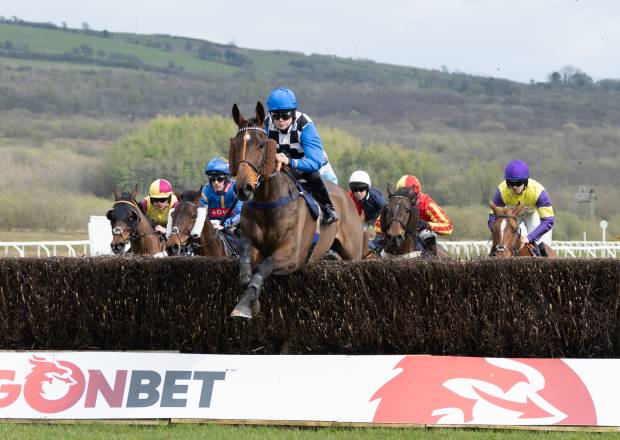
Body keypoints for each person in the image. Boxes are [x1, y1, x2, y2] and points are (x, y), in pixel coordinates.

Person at [264, 87, 339, 225]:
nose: (280, 120)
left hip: (315, 165)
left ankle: (329, 208)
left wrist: (289, 161)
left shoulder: (305, 125)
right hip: (288, 164)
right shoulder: (267, 124)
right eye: (276, 116)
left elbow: (315, 162)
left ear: (293, 113)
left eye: (285, 115)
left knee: (310, 173)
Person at [488, 160, 554, 256]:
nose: (514, 187)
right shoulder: (501, 190)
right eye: (510, 183)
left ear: (526, 181)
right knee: (499, 243)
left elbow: (548, 220)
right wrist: (497, 231)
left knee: (542, 247)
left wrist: (529, 238)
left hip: (532, 215)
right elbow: (492, 218)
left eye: (518, 183)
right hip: (512, 217)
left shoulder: (538, 191)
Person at [374, 174, 453, 252]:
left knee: (427, 234)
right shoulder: (395, 203)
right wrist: (391, 227)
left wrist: (427, 225)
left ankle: (433, 261)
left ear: (417, 194)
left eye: (410, 197)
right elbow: (377, 225)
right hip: (400, 234)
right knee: (382, 238)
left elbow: (448, 226)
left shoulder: (427, 203)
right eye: (402, 194)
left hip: (421, 233)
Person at [200, 156, 242, 254]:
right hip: (212, 226)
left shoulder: (235, 188)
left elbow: (240, 212)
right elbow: (199, 208)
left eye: (220, 179)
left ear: (227, 178)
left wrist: (224, 224)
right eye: (212, 179)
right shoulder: (207, 189)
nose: (216, 183)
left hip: (233, 226)